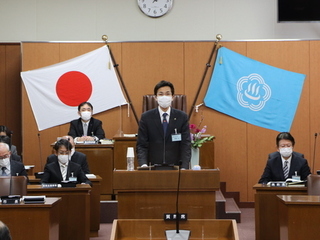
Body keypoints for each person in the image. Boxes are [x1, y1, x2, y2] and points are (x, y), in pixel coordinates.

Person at [136, 80, 191, 169]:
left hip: (176, 167)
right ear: (155, 97)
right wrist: (143, 165)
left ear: (172, 97)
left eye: (167, 94)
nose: (164, 97)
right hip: (153, 166)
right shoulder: (146, 117)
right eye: (161, 94)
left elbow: (186, 144)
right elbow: (141, 145)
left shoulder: (182, 117)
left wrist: (184, 167)